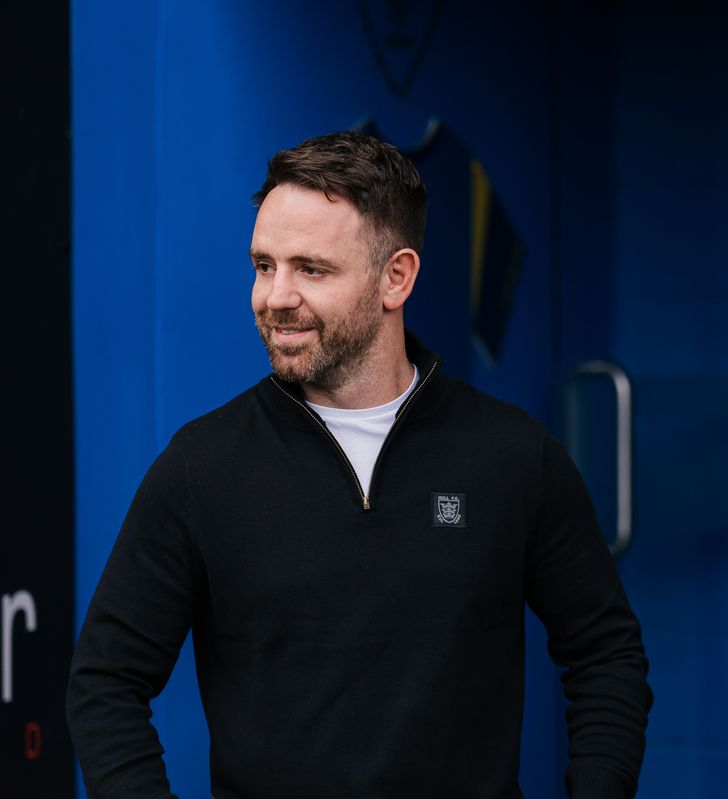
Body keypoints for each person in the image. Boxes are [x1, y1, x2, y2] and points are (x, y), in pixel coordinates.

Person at [67, 131, 652, 798]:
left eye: (311, 269)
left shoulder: (513, 457)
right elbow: (105, 683)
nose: (274, 296)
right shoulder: (202, 468)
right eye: (263, 265)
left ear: (395, 277)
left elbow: (606, 654)